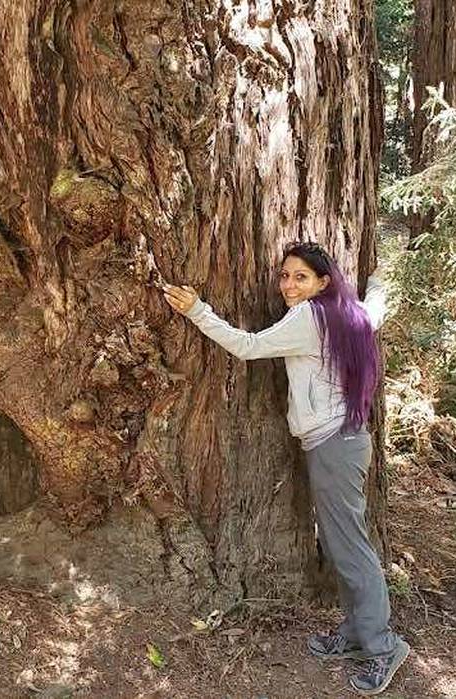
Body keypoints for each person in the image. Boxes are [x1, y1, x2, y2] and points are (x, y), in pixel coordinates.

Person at [161, 240, 409, 696]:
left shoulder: (308, 317)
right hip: (344, 441)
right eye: (285, 275)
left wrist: (198, 310)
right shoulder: (349, 314)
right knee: (342, 545)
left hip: (334, 445)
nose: (289, 285)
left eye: (301, 277)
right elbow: (378, 307)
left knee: (350, 549)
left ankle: (382, 646)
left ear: (322, 283)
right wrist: (380, 277)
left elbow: (247, 346)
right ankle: (357, 633)